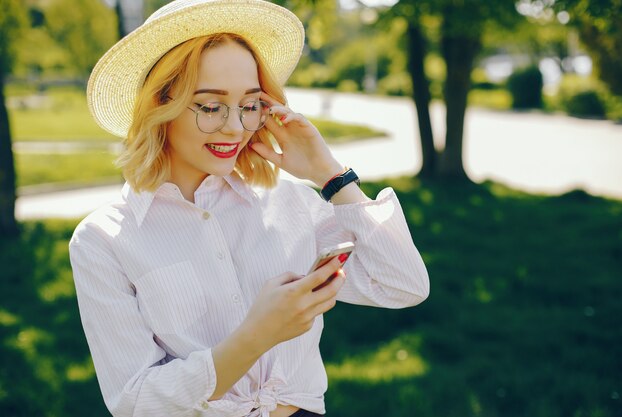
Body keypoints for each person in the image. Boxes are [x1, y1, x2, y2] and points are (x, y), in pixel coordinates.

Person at [69, 1, 429, 416]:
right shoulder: (104, 240)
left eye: (250, 104)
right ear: (159, 106)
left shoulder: (290, 202)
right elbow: (134, 403)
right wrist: (258, 335)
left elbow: (403, 285)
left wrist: (330, 174)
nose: (235, 126)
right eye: (210, 105)